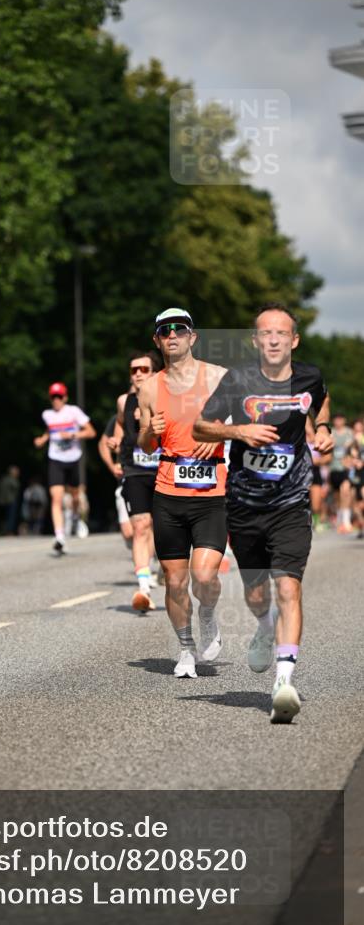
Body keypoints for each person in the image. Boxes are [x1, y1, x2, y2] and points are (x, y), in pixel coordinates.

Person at [194, 302, 333, 723]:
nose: (273, 340)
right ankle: (264, 625)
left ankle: (283, 682)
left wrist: (322, 429)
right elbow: (201, 426)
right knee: (257, 595)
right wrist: (238, 430)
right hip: (244, 504)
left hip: (290, 503)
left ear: (294, 340)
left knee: (289, 588)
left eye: (281, 333)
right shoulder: (238, 380)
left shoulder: (309, 377)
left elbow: (321, 401)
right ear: (256, 340)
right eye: (265, 333)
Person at [137, 308, 228, 677]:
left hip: (211, 493)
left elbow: (246, 422)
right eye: (165, 331)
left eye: (179, 329)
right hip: (168, 492)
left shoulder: (218, 377)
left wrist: (218, 434)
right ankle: (186, 650)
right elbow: (145, 445)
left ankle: (208, 613)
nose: (172, 335)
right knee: (175, 581)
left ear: (193, 336)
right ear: (157, 340)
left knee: (204, 577)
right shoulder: (149, 387)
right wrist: (150, 431)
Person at [114, 352, 162, 613]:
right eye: (134, 370)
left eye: (144, 369)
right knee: (141, 526)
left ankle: (164, 568)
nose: (139, 374)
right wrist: (116, 445)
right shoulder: (124, 401)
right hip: (135, 470)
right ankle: (143, 588)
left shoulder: (167, 396)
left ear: (154, 372)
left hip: (165, 469)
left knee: (163, 527)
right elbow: (120, 426)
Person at [33, 382, 96, 555]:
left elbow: (91, 432)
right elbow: (50, 430)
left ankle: (76, 518)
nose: (56, 400)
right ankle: (59, 537)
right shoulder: (47, 414)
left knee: (75, 496)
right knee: (56, 498)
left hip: (73, 459)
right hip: (56, 459)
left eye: (59, 396)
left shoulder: (73, 411)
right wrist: (42, 439)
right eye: (53, 397)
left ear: (65, 397)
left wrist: (73, 434)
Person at [98, 413, 133, 549]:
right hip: (125, 479)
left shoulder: (156, 414)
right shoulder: (120, 417)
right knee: (129, 533)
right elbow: (103, 443)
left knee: (145, 525)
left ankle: (147, 557)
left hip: (150, 479)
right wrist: (112, 466)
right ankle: (143, 550)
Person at [328, 413, 354, 533]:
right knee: (337, 495)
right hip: (334, 468)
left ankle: (346, 521)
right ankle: (339, 517)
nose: (338, 422)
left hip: (346, 468)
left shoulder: (349, 433)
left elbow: (353, 448)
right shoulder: (331, 432)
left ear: (344, 420)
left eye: (340, 419)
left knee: (345, 492)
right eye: (336, 420)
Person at [0, 466, 21, 535]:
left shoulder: (3, 479)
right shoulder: (12, 480)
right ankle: (9, 532)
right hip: (11, 501)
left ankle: (3, 531)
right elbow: (17, 487)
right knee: (11, 517)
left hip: (2, 501)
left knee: (4, 518)